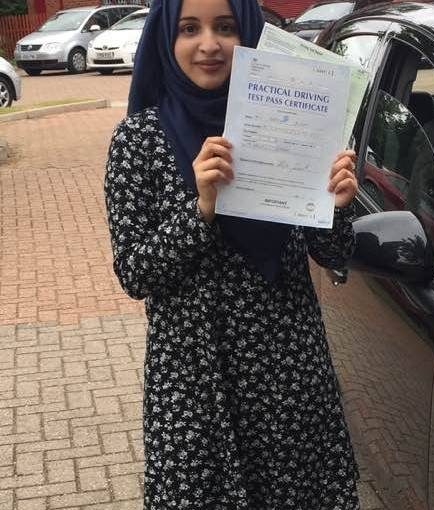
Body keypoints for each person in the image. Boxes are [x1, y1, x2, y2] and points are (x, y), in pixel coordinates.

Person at [103, 0, 361, 508]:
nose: (209, 44)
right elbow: (135, 272)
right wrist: (200, 207)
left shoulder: (291, 122)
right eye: (188, 28)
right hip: (195, 383)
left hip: (287, 375)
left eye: (225, 27)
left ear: (248, 34)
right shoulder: (139, 141)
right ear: (164, 38)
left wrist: (334, 207)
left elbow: (332, 253)